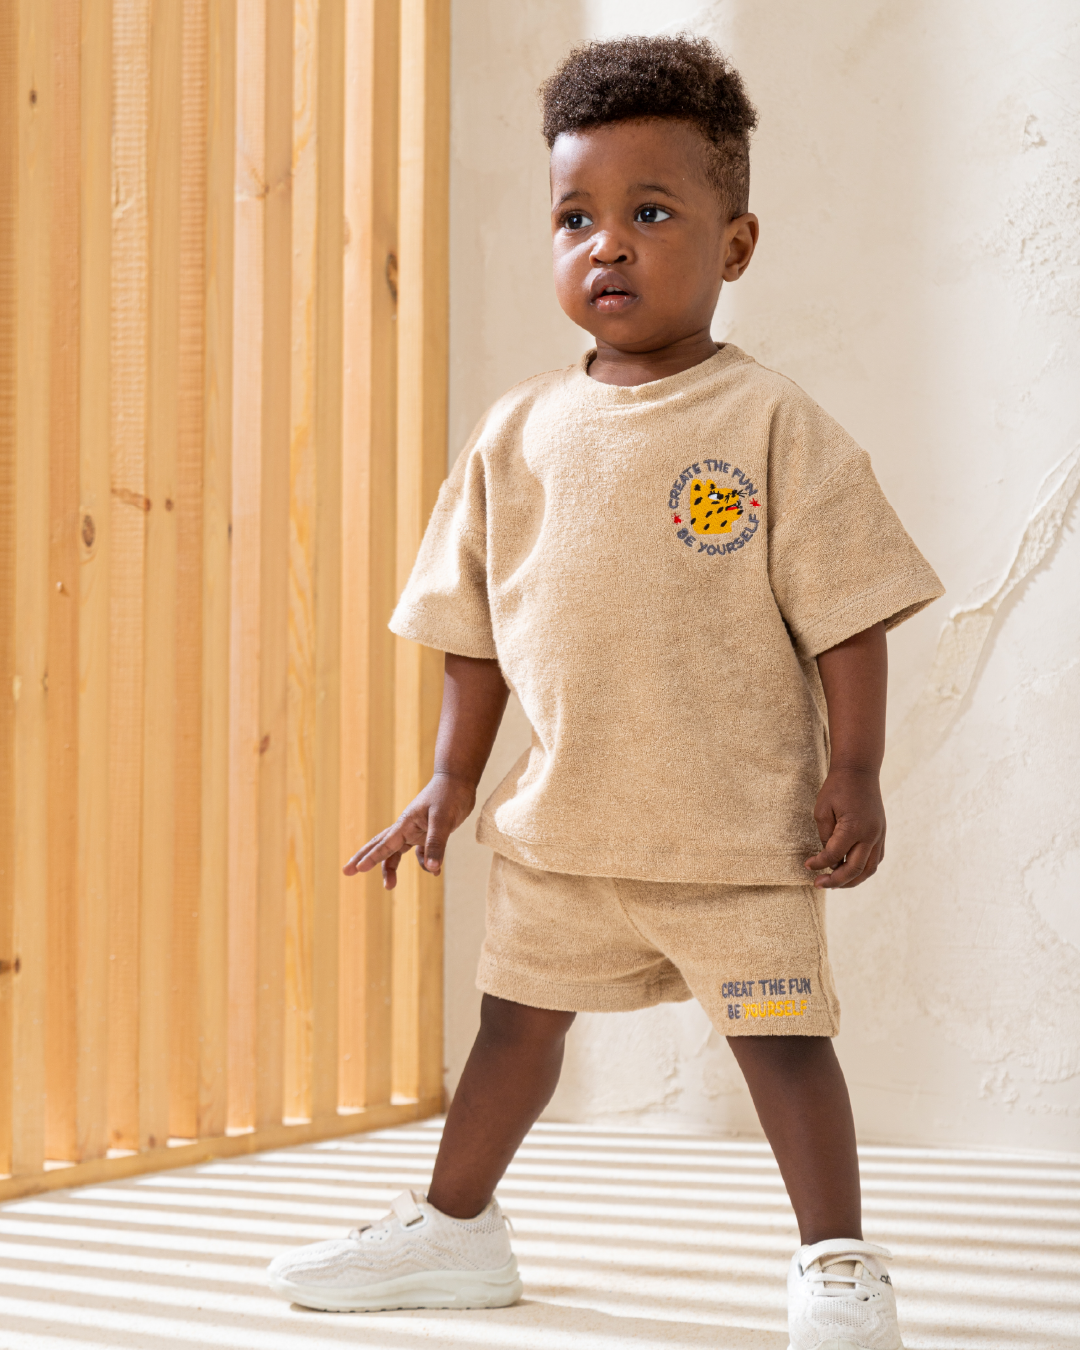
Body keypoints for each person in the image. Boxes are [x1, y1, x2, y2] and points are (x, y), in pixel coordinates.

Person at [268, 33, 943, 1350]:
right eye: (575, 217)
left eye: (652, 213)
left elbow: (849, 613)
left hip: (738, 841)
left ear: (736, 244)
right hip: (565, 830)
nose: (608, 246)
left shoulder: (770, 425)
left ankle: (837, 1257)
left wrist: (855, 768)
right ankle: (455, 1228)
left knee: (783, 1044)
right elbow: (474, 631)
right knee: (511, 1035)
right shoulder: (516, 432)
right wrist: (451, 777)